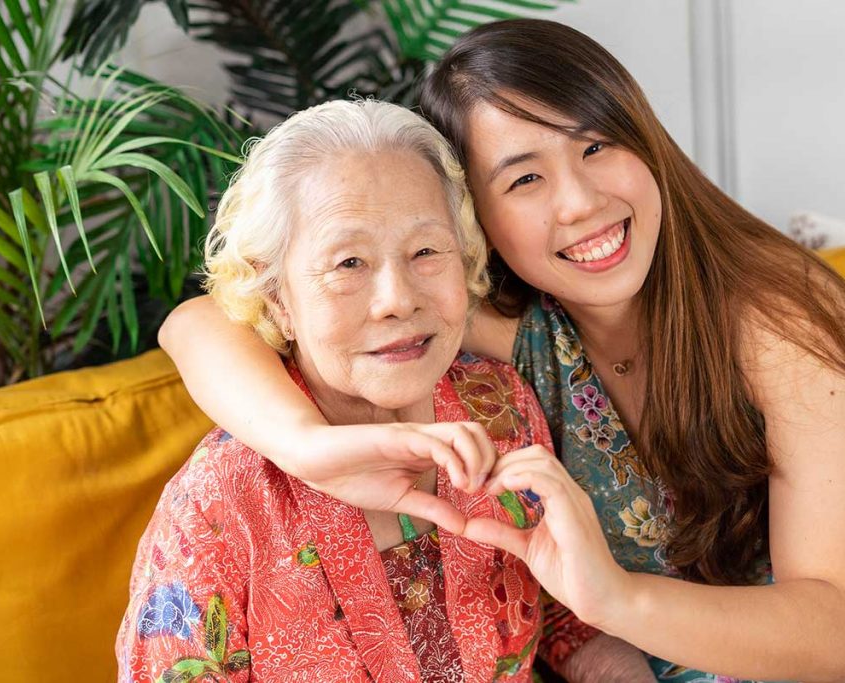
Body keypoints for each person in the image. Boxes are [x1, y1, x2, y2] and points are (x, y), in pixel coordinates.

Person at [158, 20, 845, 683]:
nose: (583, 203)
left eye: (595, 146)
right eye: (524, 180)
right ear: (477, 226)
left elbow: (831, 637)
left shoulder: (778, 315)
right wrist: (310, 447)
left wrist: (614, 598)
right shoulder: (483, 314)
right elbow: (203, 319)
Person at [117, 98, 650, 683]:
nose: (397, 298)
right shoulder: (220, 503)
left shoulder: (499, 405)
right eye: (348, 263)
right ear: (277, 300)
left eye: (426, 251)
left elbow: (565, 615)